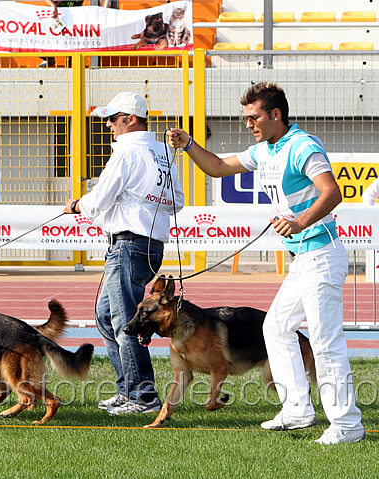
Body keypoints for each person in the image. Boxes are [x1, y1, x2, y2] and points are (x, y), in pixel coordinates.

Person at [167, 82, 365, 445]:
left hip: (321, 254)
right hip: (303, 259)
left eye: (253, 116)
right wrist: (189, 144)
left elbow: (332, 191)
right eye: (245, 117)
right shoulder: (265, 149)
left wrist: (300, 221)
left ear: (275, 115)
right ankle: (297, 410)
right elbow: (218, 166)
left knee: (324, 342)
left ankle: (347, 425)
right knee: (275, 328)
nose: (248, 124)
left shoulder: (303, 146)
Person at [64, 92, 184, 415]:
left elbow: (100, 199)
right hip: (151, 245)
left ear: (130, 119)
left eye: (113, 119)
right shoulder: (164, 152)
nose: (108, 125)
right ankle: (127, 389)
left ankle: (142, 396)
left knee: (122, 321)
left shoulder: (126, 152)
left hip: (128, 245)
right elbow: (179, 201)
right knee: (106, 317)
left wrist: (78, 205)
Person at [39, 0, 83, 68]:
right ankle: (48, 58)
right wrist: (53, 4)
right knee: (44, 31)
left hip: (73, 11)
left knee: (72, 35)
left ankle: (72, 59)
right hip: (56, 11)